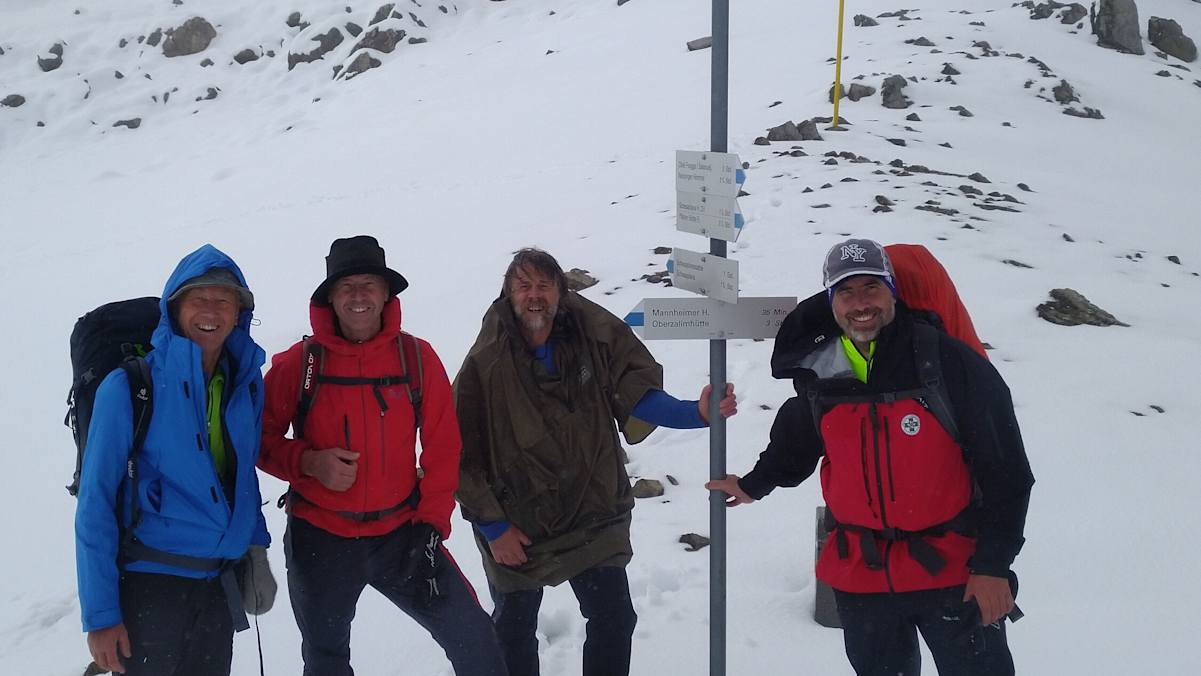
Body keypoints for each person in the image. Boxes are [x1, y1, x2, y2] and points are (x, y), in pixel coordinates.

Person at [707, 238, 1034, 676]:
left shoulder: (947, 363)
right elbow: (798, 439)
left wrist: (993, 566)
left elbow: (1006, 472)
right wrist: (751, 485)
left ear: (892, 291)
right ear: (830, 301)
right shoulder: (821, 371)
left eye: (871, 288)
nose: (861, 304)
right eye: (846, 292)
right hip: (862, 577)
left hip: (953, 571)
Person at [454, 247, 738, 676]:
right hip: (518, 522)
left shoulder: (589, 334)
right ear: (508, 294)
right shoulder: (485, 362)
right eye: (524, 286)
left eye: (544, 286)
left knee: (614, 618)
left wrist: (693, 414)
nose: (535, 296)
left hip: (591, 509)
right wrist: (494, 528)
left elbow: (634, 387)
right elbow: (457, 451)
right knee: (513, 630)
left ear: (560, 292)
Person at [258, 235, 506, 676]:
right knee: (326, 661)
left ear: (386, 294)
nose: (358, 296)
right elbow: (258, 440)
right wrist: (309, 462)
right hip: (321, 540)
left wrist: (431, 524)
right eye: (346, 286)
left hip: (403, 535)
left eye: (368, 284)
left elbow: (443, 447)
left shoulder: (415, 358)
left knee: (476, 643)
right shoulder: (300, 365)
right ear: (330, 298)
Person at [76, 244, 276, 676]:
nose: (211, 309)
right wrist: (101, 616)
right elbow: (95, 504)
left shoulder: (244, 383)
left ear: (238, 313)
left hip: (216, 585)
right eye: (198, 298)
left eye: (223, 300)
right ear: (174, 307)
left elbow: (240, 478)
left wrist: (255, 547)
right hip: (150, 588)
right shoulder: (128, 387)